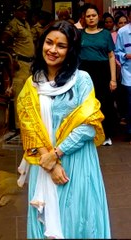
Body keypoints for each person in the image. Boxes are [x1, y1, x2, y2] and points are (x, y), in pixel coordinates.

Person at [17, 20, 110, 239]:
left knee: (77, 220)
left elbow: (89, 125)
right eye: (49, 42)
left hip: (76, 162)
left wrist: (56, 154)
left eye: (61, 46)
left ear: (70, 50)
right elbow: (28, 125)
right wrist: (48, 161)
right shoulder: (32, 83)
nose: (53, 50)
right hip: (43, 163)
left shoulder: (81, 80)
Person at [79, 4, 117, 146]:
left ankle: (106, 135)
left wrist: (113, 79)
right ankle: (89, 135)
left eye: (93, 15)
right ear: (84, 18)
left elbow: (111, 56)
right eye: (88, 16)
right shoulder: (80, 34)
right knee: (86, 103)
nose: (91, 18)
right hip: (84, 72)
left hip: (102, 71)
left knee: (104, 104)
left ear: (98, 17)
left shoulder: (105, 34)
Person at [1, 4, 35, 132]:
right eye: (22, 10)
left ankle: (25, 123)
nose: (24, 12)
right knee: (19, 95)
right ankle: (18, 125)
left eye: (26, 10)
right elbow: (4, 41)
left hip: (29, 64)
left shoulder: (25, 24)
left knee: (28, 95)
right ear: (16, 11)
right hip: (20, 63)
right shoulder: (14, 24)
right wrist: (13, 57)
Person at [115, 11, 131, 143]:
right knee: (130, 103)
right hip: (128, 73)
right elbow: (117, 52)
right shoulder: (123, 32)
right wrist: (125, 56)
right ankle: (130, 132)